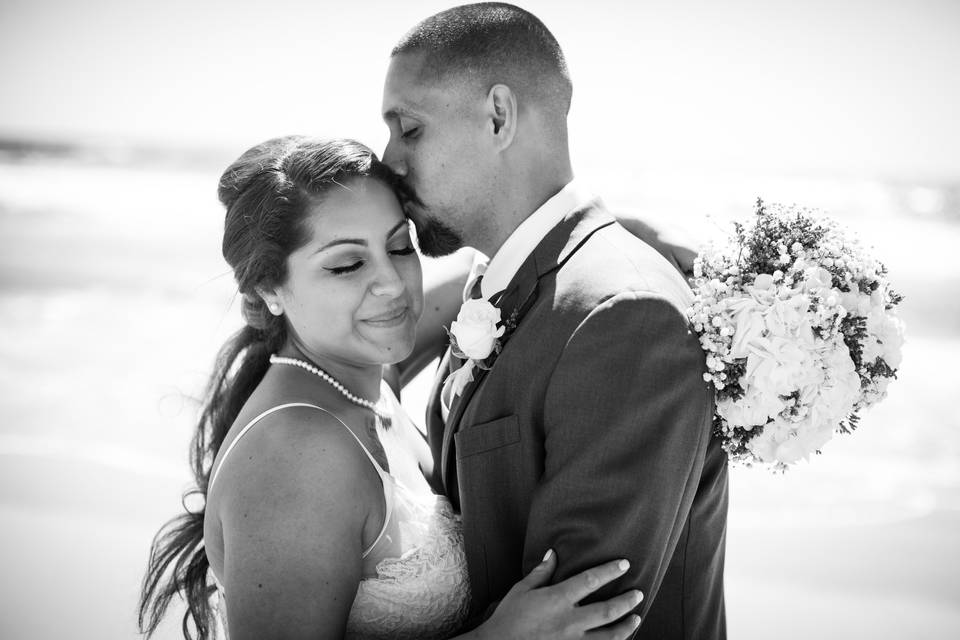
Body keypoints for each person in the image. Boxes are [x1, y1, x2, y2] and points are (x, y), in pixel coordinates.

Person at [137, 136, 645, 640]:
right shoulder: (298, 457)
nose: (392, 283)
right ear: (268, 290)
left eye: (400, 246)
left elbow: (494, 273)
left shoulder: (365, 377)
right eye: (346, 265)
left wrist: (627, 240)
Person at [382, 4, 729, 638]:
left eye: (408, 129)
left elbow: (587, 623)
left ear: (498, 116)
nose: (389, 160)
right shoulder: (504, 276)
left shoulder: (626, 319)